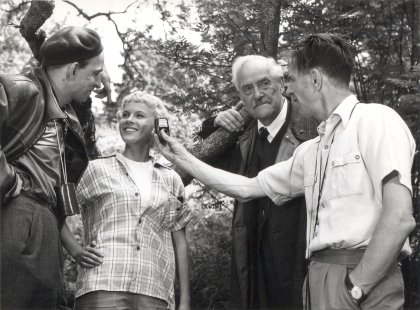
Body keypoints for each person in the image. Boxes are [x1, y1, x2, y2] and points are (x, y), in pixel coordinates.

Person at [154, 33, 416, 310]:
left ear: (314, 80)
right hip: (317, 278)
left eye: (291, 79)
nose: (288, 90)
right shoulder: (313, 149)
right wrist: (180, 155)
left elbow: (399, 217)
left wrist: (355, 288)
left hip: (363, 276)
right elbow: (247, 188)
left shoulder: (376, 120)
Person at [0, 26, 109, 309]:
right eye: (95, 73)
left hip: (46, 227)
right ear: (72, 70)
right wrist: (9, 182)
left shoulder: (64, 116)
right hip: (17, 217)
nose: (99, 83)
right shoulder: (21, 89)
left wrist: (68, 244)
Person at [197, 55, 318, 309]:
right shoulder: (244, 137)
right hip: (255, 270)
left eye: (264, 84)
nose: (258, 94)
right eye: (247, 89)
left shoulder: (311, 127)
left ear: (281, 83)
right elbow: (211, 164)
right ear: (240, 97)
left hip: (300, 267)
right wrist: (213, 124)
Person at [61, 91, 191, 310]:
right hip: (102, 283)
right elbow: (56, 210)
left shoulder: (172, 180)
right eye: (125, 115)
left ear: (157, 126)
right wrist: (77, 251)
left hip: (154, 289)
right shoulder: (94, 169)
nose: (129, 120)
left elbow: (180, 242)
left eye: (140, 115)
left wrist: (185, 301)